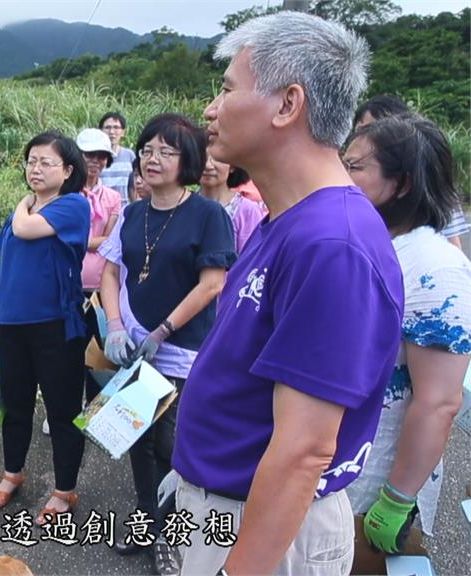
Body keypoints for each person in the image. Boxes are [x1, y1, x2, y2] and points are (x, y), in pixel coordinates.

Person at [172, 13, 404, 575]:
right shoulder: (290, 221)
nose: (211, 108)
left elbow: (304, 451)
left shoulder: (333, 245)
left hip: (269, 535)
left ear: (286, 104)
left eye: (227, 89)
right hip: (230, 511)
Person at [99, 113, 235, 575]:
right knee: (137, 434)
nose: (152, 159)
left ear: (189, 160)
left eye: (167, 151)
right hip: (134, 349)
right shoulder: (132, 212)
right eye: (148, 149)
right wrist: (116, 324)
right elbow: (111, 272)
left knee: (173, 441)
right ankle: (145, 515)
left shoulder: (208, 214)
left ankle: (174, 529)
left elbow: (212, 284)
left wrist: (163, 331)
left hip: (182, 351)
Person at [342, 114, 470, 551]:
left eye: (356, 167)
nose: (342, 175)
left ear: (403, 183)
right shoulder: (363, 242)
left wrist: (396, 501)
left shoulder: (436, 268)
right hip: (321, 473)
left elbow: (439, 401)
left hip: (368, 489)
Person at [0, 131, 90, 526]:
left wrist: (21, 204)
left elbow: (27, 230)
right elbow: (5, 268)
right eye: (31, 161)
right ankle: (13, 473)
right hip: (12, 326)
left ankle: (64, 489)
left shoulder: (73, 205)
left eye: (46, 162)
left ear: (68, 170)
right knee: (16, 408)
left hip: (55, 327)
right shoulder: (24, 211)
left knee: (62, 412)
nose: (36, 168)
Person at [354, 95, 470, 249]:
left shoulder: (430, 184)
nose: (367, 137)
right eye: (361, 130)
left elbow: (454, 246)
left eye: (377, 128)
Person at [76, 128, 122, 402]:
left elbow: (111, 241)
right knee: (69, 348)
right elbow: (66, 238)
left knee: (98, 348)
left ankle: (94, 405)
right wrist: (96, 240)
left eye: (101, 156)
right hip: (71, 284)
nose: (95, 161)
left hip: (101, 288)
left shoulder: (113, 197)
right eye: (89, 155)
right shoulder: (68, 195)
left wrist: (85, 240)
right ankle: (68, 405)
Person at [199, 155, 265, 253]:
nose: (208, 165)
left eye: (217, 159)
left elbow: (252, 259)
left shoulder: (247, 211)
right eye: (202, 157)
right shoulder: (183, 205)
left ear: (232, 166)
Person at [99, 112, 137, 204]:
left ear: (123, 132)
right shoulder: (95, 157)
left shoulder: (129, 155)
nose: (112, 132)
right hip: (102, 210)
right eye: (107, 128)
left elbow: (132, 187)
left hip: (124, 210)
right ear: (100, 131)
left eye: (116, 127)